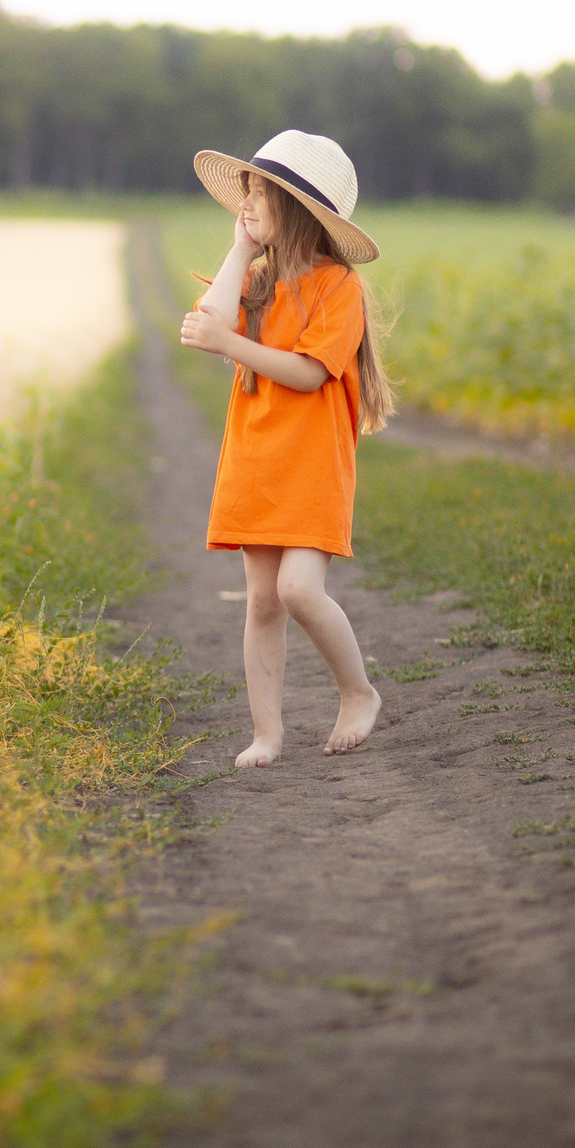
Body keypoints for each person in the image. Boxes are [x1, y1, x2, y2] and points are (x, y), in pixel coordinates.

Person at [176, 130, 396, 767]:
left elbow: (306, 372)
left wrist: (231, 345)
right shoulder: (260, 279)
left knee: (300, 589)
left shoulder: (337, 288)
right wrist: (240, 251)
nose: (246, 202)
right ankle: (267, 733)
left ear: (295, 207)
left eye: (259, 192)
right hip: (256, 459)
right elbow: (207, 320)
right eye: (245, 190)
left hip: (312, 464)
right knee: (263, 601)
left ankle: (358, 692)